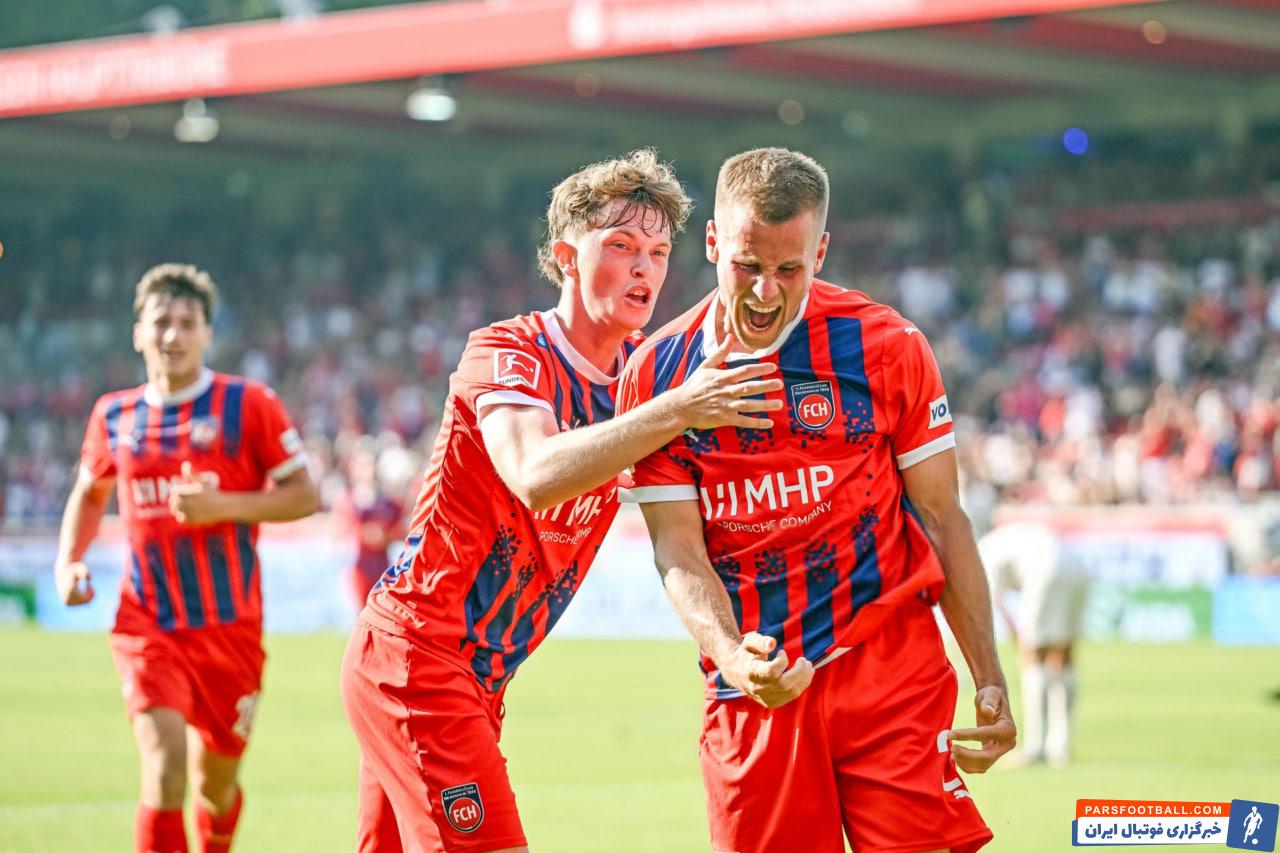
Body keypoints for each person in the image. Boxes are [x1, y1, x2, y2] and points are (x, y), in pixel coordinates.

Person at [339, 149, 784, 853]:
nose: (644, 269)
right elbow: (535, 472)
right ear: (566, 257)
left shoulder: (643, 382)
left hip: (479, 680)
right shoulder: (508, 352)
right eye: (621, 246)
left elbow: (688, 525)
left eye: (658, 253)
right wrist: (679, 407)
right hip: (420, 657)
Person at [616, 147, 1016, 853]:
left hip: (890, 672)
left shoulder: (885, 345)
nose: (765, 292)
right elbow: (677, 546)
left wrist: (988, 675)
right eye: (747, 265)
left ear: (820, 253)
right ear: (711, 242)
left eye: (788, 269)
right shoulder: (659, 374)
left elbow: (941, 516)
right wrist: (733, 656)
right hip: (756, 689)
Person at [54, 263, 319, 853]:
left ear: (207, 334)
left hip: (230, 630)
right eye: (160, 322)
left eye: (186, 322)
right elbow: (91, 492)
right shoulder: (114, 414)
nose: (172, 335)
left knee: (213, 787)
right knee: (164, 767)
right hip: (147, 620)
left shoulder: (248, 404)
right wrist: (68, 559)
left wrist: (224, 506)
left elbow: (305, 495)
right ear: (138, 333)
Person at [979, 520, 1090, 767]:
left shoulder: (983, 551)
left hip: (1043, 569)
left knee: (1034, 658)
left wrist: (1020, 641)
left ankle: (1035, 746)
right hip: (1076, 565)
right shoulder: (1005, 538)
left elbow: (995, 603)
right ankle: (1060, 746)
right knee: (1064, 654)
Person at [334, 440, 406, 609]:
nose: (369, 470)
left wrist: (386, 536)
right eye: (364, 465)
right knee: (360, 614)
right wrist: (363, 535)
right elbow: (340, 533)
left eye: (371, 464)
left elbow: (403, 530)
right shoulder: (347, 501)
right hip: (359, 571)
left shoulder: (389, 502)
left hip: (383, 570)